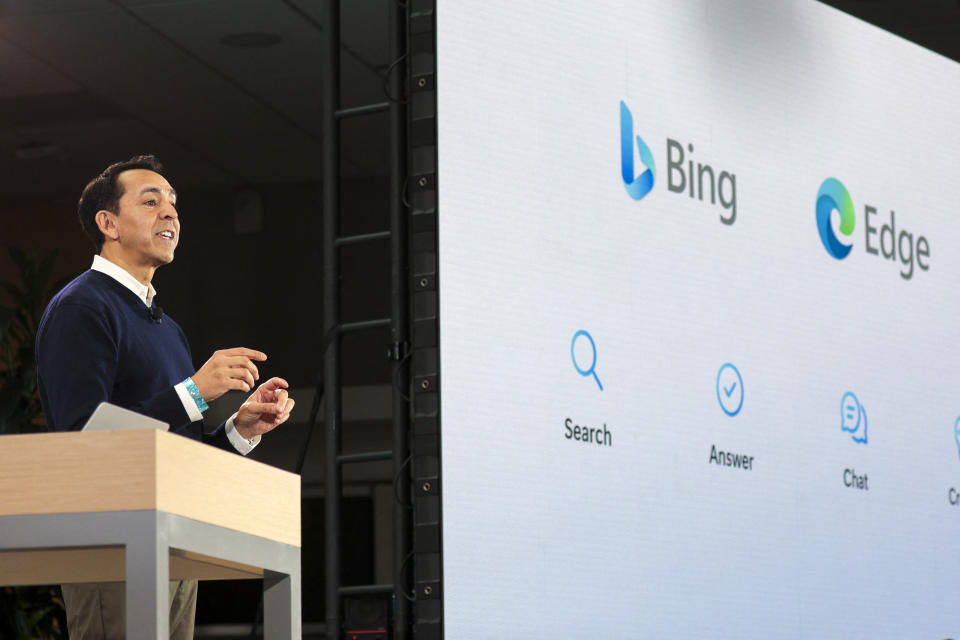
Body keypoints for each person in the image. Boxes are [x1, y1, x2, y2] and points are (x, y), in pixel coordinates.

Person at [35, 155, 295, 640]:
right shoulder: (81, 308)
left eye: (174, 204)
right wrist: (194, 391)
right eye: (151, 201)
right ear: (107, 223)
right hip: (111, 539)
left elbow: (176, 451)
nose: (170, 213)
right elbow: (82, 440)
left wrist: (238, 430)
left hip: (172, 539)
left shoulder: (167, 328)